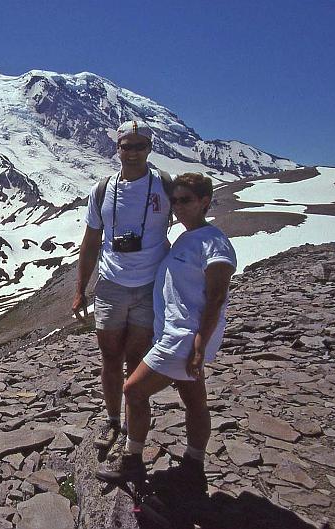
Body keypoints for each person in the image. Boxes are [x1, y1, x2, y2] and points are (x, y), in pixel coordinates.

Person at [96, 172, 237, 491]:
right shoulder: (187, 238)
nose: (178, 207)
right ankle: (193, 465)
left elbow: (217, 296)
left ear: (205, 201)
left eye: (185, 200)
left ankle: (132, 461)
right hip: (176, 334)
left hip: (184, 338)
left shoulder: (214, 241)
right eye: (174, 201)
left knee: (133, 390)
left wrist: (200, 343)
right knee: (195, 400)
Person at [73, 120, 172, 451]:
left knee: (136, 358)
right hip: (111, 286)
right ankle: (113, 420)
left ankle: (132, 430)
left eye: (139, 146)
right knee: (110, 358)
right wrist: (80, 289)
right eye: (126, 146)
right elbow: (90, 242)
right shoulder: (102, 189)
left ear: (149, 148)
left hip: (148, 286)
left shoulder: (164, 186)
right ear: (117, 148)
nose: (132, 153)